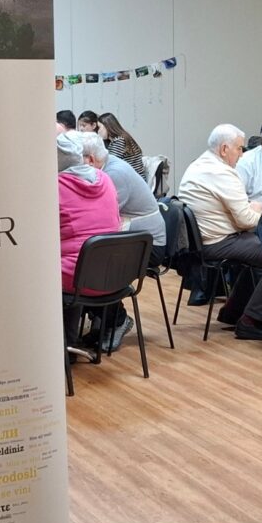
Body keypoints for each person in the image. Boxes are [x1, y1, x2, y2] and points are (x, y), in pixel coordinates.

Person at [178, 125, 262, 340]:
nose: (242, 153)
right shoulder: (222, 173)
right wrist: (260, 212)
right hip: (218, 242)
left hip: (201, 242)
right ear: (224, 149)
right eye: (239, 148)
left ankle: (232, 312)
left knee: (257, 254)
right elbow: (246, 220)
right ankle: (250, 321)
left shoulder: (198, 164)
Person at [76, 131, 165, 351]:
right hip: (129, 238)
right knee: (82, 263)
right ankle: (104, 321)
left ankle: (117, 320)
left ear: (90, 159)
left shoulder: (114, 174)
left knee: (90, 267)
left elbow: (104, 219)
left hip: (147, 246)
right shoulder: (106, 166)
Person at [57, 133, 120, 349]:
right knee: (75, 264)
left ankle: (61, 349)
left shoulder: (54, 187)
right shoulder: (105, 178)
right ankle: (69, 346)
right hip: (115, 274)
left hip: (76, 279)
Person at [97, 112, 147, 178]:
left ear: (107, 126)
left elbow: (108, 165)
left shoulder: (119, 141)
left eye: (99, 127)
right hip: (133, 178)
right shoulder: (122, 138)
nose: (98, 131)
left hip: (132, 180)